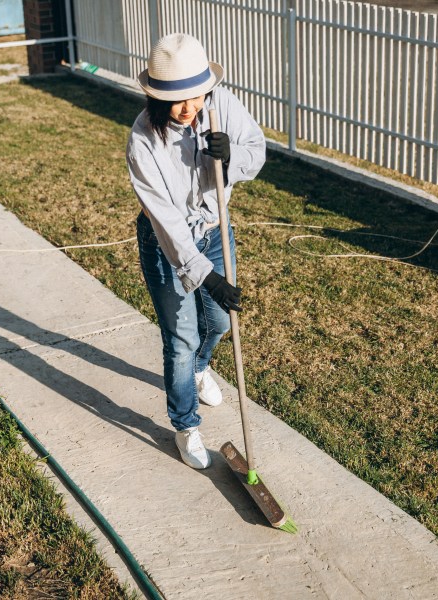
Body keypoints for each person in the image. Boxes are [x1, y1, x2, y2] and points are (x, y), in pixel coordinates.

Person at [127, 33, 266, 469]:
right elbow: (168, 225)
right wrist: (206, 275)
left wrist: (233, 156)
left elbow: (257, 152)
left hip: (215, 229)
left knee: (221, 320)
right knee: (181, 339)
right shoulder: (142, 142)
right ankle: (185, 426)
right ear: (156, 97)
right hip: (166, 244)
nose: (191, 108)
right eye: (178, 100)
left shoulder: (220, 104)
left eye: (197, 96)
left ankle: (202, 368)